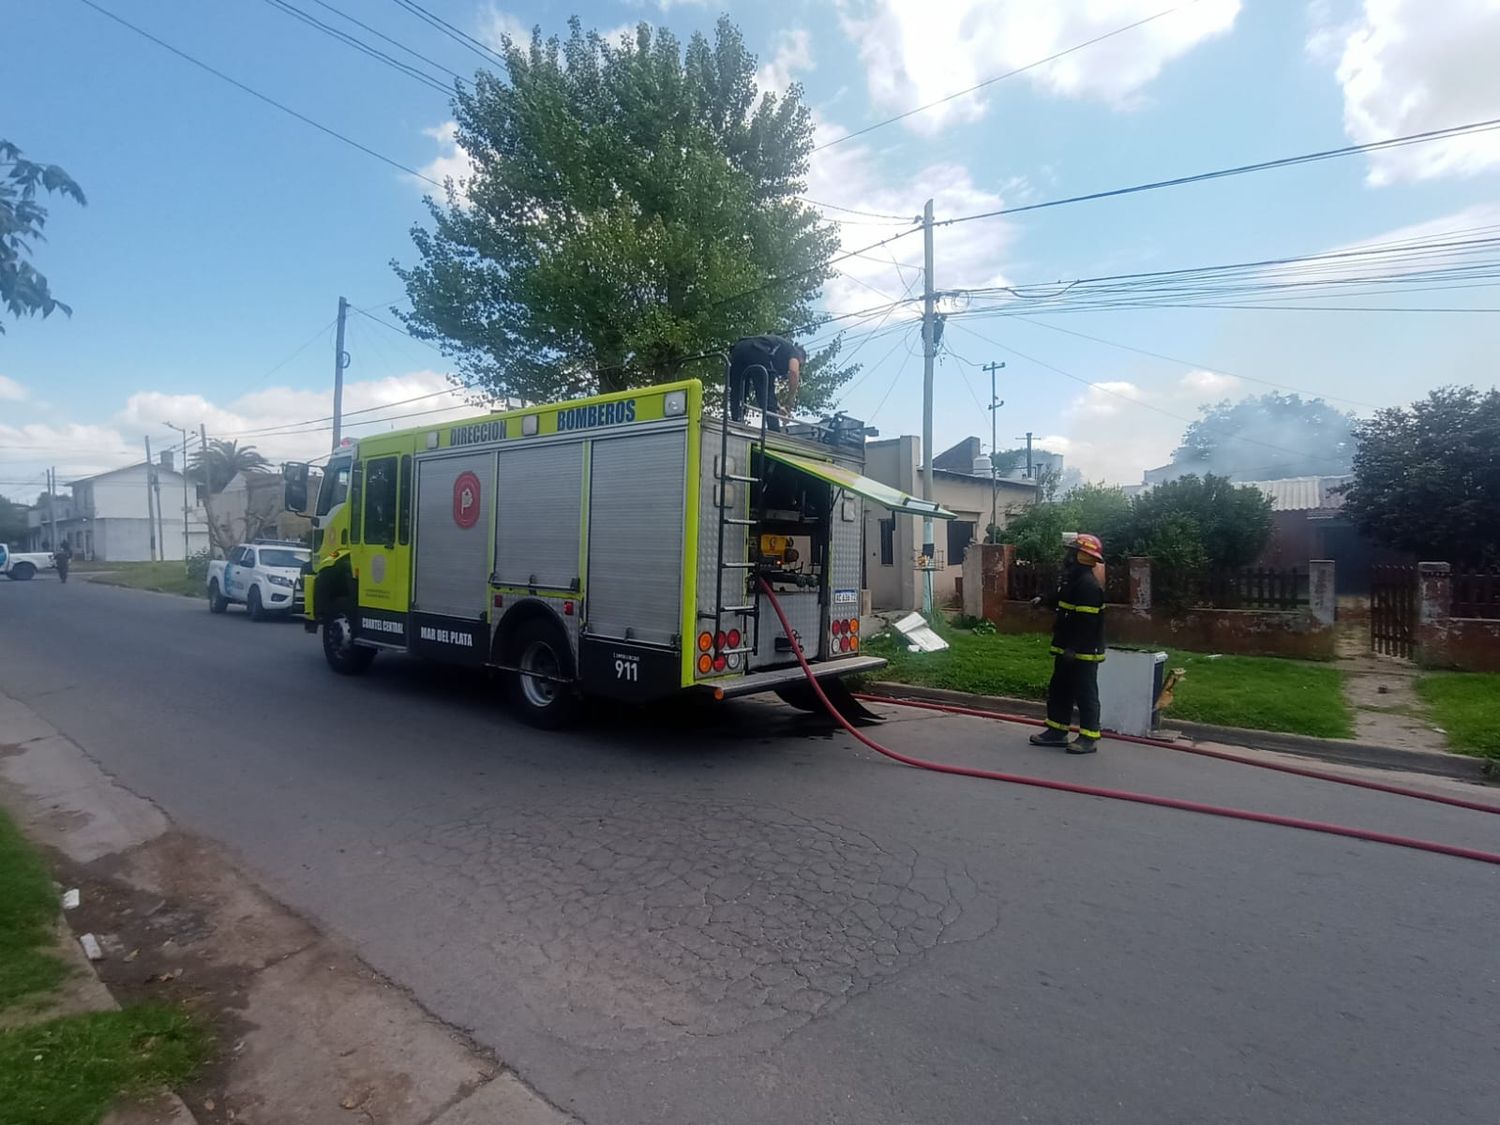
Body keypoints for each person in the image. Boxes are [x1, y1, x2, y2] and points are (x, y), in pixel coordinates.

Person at [1028, 533, 1106, 754]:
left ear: (1082, 556)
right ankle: (1057, 731)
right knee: (1060, 689)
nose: (1067, 557)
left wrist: (1074, 647)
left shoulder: (1089, 586)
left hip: (1083, 650)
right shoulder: (1073, 580)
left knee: (1085, 692)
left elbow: (1087, 623)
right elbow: (1059, 596)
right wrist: (1042, 600)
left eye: (1071, 553)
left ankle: (1088, 738)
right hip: (1067, 647)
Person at [727, 335, 805, 432]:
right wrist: (789, 401)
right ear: (800, 358)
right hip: (758, 352)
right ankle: (775, 431)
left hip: (738, 349)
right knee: (766, 396)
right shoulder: (794, 351)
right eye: (800, 365)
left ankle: (736, 421)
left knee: (738, 391)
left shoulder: (779, 349)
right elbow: (793, 372)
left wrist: (778, 408)